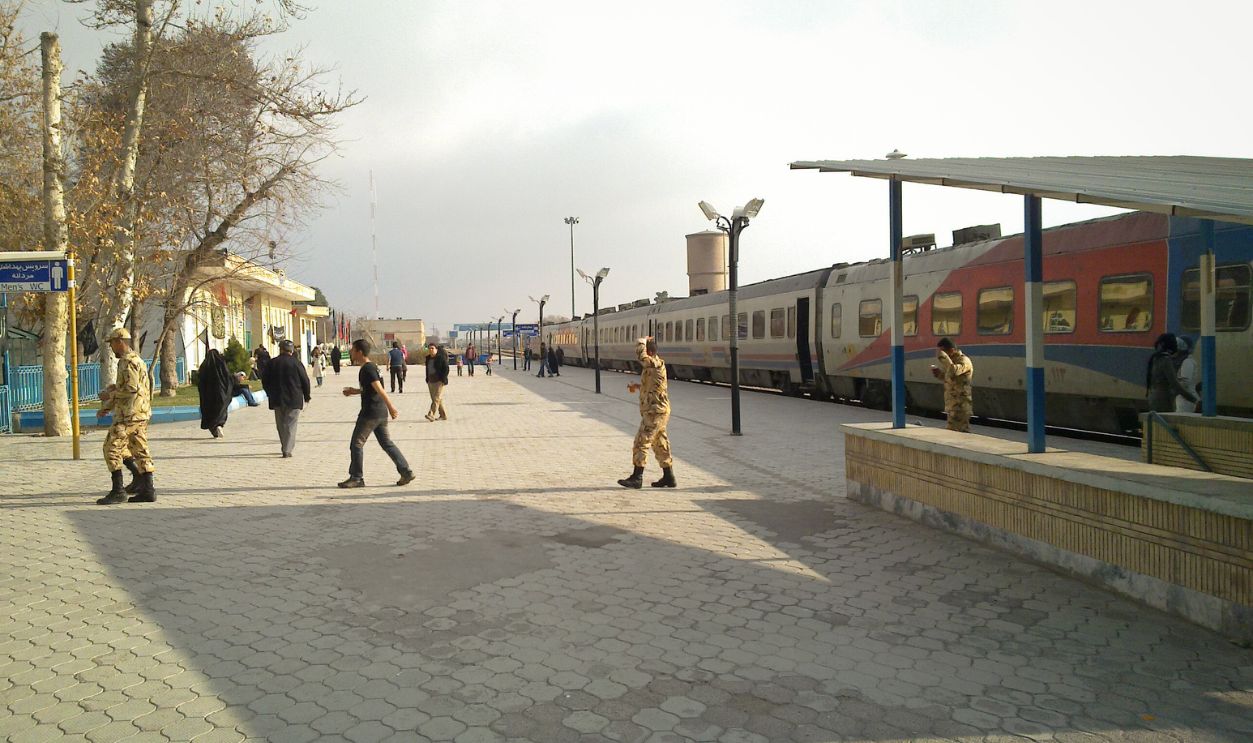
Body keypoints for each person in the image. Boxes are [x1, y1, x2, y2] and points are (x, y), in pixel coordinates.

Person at [340, 339, 415, 488]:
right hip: (380, 413)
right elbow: (371, 388)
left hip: (370, 413)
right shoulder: (372, 367)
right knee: (387, 443)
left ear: (360, 352)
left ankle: (356, 477)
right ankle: (406, 471)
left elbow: (380, 389)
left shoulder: (367, 369)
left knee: (356, 444)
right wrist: (354, 391)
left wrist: (392, 407)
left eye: (353, 350)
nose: (351, 353)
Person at [96, 328, 156, 504]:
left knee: (111, 448)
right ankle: (147, 488)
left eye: (113, 343)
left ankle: (118, 490)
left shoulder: (127, 362)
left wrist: (110, 395)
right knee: (139, 449)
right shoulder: (137, 360)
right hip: (140, 413)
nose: (112, 348)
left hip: (128, 416)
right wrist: (108, 405)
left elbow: (130, 389)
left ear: (119, 342)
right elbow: (129, 387)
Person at [619, 337, 676, 489]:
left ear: (649, 352)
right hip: (656, 411)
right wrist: (638, 386)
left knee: (641, 442)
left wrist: (641, 341)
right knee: (660, 444)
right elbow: (653, 387)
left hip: (655, 412)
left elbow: (641, 357)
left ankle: (637, 477)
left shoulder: (655, 364)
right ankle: (669, 476)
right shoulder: (652, 367)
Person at [262, 339, 311, 458]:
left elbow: (265, 380)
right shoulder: (296, 363)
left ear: (281, 349)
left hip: (277, 399)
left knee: (281, 424)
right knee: (291, 424)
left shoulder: (272, 363)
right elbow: (305, 380)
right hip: (294, 398)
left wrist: (269, 393)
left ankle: (285, 445)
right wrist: (307, 395)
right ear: (292, 350)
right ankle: (287, 449)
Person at [931, 337, 974, 433]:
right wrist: (939, 374)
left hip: (961, 406)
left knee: (962, 432)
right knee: (952, 432)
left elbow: (954, 371)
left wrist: (945, 358)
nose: (941, 355)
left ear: (952, 350)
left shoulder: (964, 360)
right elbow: (950, 378)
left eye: (944, 352)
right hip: (953, 405)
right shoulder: (951, 362)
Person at [1147, 333, 1196, 413]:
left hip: (1153, 397)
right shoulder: (1166, 360)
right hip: (1163, 399)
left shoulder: (1156, 358)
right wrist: (1193, 400)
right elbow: (1175, 384)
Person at [197, 348, 234, 439]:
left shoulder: (204, 366)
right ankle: (219, 426)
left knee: (209, 413)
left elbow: (200, 381)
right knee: (221, 411)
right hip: (221, 393)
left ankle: (215, 431)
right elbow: (228, 378)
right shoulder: (222, 364)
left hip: (208, 396)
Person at [423, 343, 450, 422]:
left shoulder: (440, 358)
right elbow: (427, 369)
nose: (431, 350)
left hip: (439, 381)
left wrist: (443, 379)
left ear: (436, 349)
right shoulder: (428, 358)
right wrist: (427, 378)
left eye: (432, 348)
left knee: (436, 399)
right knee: (437, 399)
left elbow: (446, 369)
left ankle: (431, 414)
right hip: (431, 381)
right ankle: (443, 415)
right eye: (429, 348)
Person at [1174, 337, 1199, 413]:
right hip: (1184, 398)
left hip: (1186, 400)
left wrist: (1173, 384)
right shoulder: (1185, 361)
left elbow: (1185, 383)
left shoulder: (1187, 362)